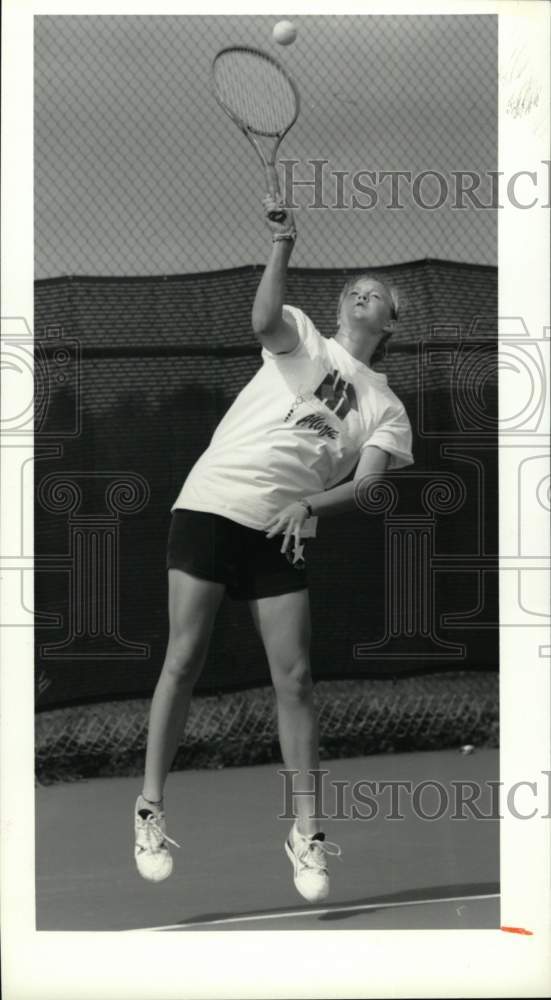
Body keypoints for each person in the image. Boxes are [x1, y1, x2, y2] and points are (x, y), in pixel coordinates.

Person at [134, 196, 414, 903]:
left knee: (295, 679)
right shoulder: (304, 339)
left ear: (389, 322)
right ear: (340, 307)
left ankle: (306, 831)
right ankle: (149, 810)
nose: (361, 294)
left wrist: (308, 504)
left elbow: (368, 483)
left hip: (282, 530)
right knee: (183, 660)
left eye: (375, 294)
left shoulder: (384, 406)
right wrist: (281, 246)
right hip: (211, 504)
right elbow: (263, 321)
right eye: (354, 289)